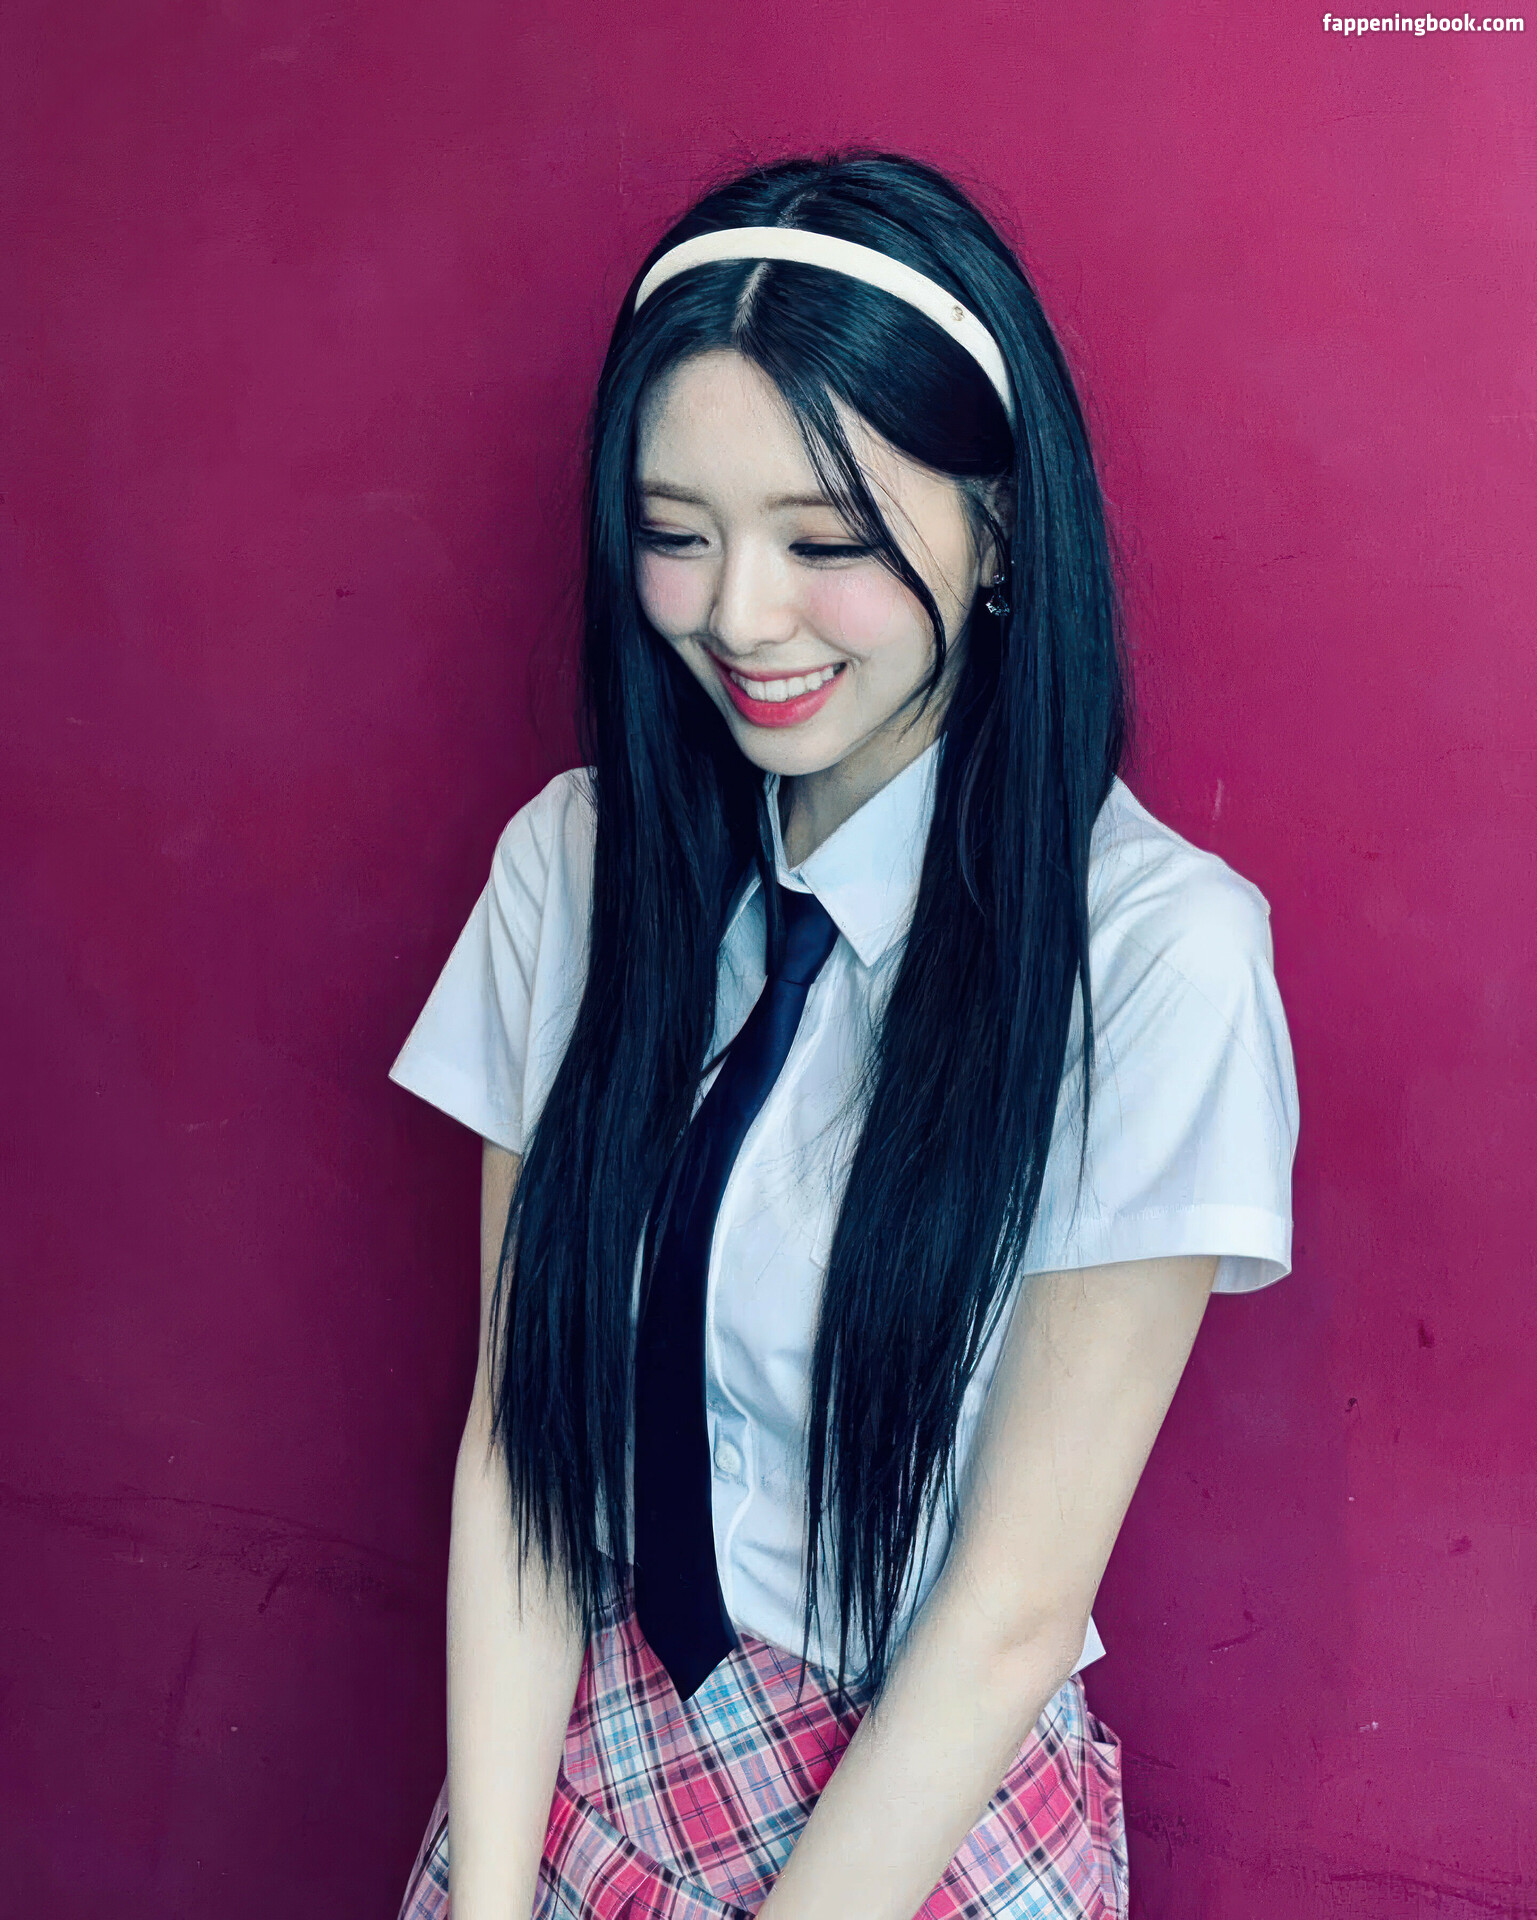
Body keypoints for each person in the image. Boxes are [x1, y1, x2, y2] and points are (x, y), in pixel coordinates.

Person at [388, 152, 1300, 1920]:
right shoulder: (573, 866)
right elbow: (523, 1432)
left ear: (999, 526)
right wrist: (488, 1895)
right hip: (574, 1757)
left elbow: (1010, 1610)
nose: (738, 615)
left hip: (913, 1814)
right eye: (675, 533)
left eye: (825, 543)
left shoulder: (1151, 959)